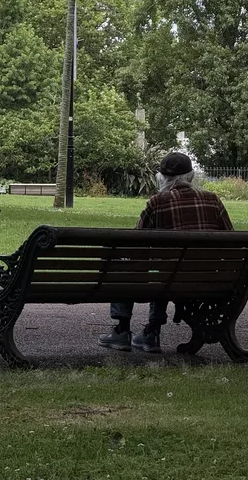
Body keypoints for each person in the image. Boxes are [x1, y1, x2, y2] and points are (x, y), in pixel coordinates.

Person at [99, 151, 233, 354]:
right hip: (209, 281)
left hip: (167, 278)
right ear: (191, 176)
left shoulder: (157, 202)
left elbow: (135, 244)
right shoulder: (213, 200)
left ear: (161, 178)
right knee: (167, 269)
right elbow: (230, 239)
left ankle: (122, 330)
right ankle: (151, 332)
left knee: (130, 263)